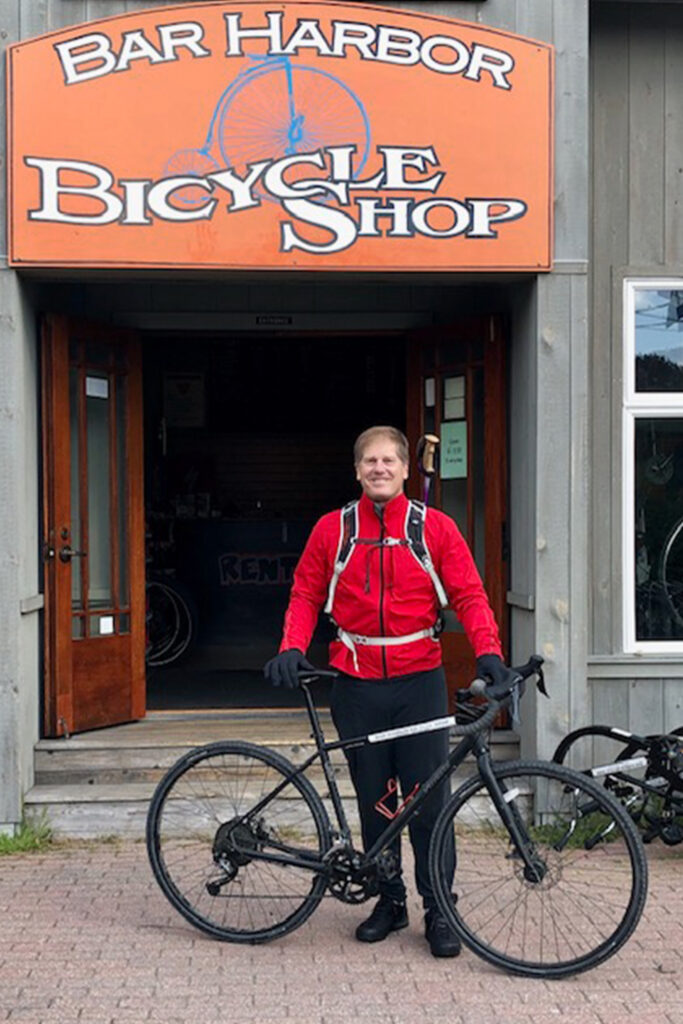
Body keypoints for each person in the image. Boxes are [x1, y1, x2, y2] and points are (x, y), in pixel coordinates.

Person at [264, 425, 512, 958]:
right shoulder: (334, 529)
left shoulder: (434, 528)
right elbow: (306, 590)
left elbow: (468, 594)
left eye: (388, 461)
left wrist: (488, 652)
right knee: (377, 802)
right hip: (355, 686)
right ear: (357, 471)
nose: (379, 469)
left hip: (418, 682)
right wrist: (291, 644)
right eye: (369, 461)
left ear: (404, 469)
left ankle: (439, 908)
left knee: (427, 804)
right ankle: (389, 899)